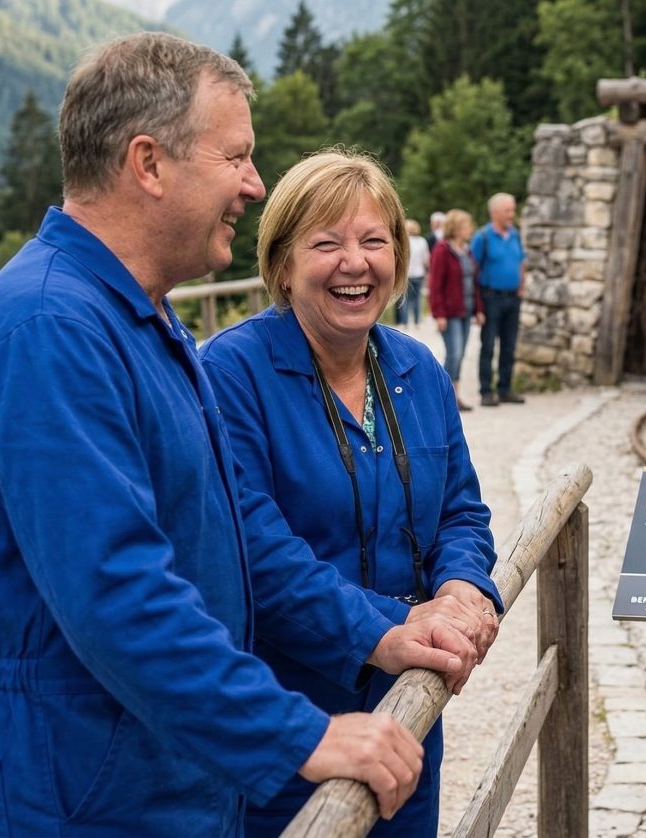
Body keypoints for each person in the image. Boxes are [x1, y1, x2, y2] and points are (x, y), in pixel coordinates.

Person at [0, 33, 479, 836]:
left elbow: (223, 538)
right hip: (82, 789)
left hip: (156, 769)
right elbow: (115, 593)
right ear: (149, 164)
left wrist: (407, 621)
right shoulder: (52, 328)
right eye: (235, 158)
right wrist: (301, 731)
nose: (254, 185)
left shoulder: (138, 318)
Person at [200, 149, 502, 836]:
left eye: (373, 241)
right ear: (281, 263)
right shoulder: (231, 375)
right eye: (326, 243)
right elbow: (256, 552)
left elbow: (460, 509)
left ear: (398, 256)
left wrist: (461, 586)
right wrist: (387, 630)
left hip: (408, 708)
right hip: (289, 720)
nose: (354, 262)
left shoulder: (417, 370)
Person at [471, 192, 526, 406]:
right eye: (508, 210)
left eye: (513, 210)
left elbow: (522, 262)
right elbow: (473, 269)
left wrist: (521, 287)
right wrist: (477, 305)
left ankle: (505, 388)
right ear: (495, 213)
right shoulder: (482, 237)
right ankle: (486, 391)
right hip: (491, 297)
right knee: (488, 345)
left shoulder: (516, 235)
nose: (512, 214)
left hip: (513, 299)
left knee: (509, 345)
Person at [429, 208, 485, 411]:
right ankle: (441, 396)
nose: (470, 229)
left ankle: (454, 397)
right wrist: (439, 313)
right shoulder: (442, 250)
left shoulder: (467, 251)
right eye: (466, 226)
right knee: (454, 353)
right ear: (457, 228)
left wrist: (479, 309)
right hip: (450, 312)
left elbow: (473, 282)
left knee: (461, 355)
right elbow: (435, 284)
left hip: (466, 310)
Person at [396, 218, 428, 328]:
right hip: (419, 273)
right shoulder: (422, 241)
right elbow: (426, 259)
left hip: (406, 274)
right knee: (417, 299)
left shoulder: (404, 241)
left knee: (405, 299)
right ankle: (417, 321)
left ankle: (404, 322)